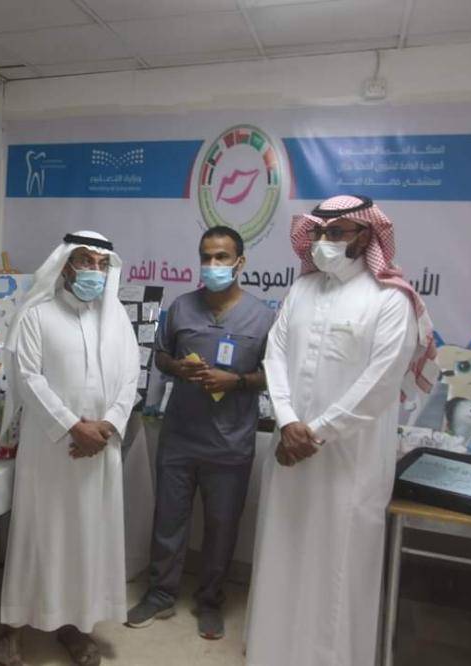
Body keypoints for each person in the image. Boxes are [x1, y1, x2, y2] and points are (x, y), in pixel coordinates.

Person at [245, 195, 438, 666]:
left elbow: (381, 382)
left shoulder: (391, 300)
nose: (323, 242)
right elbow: (275, 356)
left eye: (336, 233)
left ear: (366, 236)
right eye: (318, 232)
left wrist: (314, 433)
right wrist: (287, 421)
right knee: (283, 555)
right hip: (291, 452)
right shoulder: (301, 290)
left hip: (349, 463)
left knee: (337, 566)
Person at [0, 231, 140, 666]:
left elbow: (130, 378)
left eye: (101, 263)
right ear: (66, 264)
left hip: (100, 450)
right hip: (51, 449)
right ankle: (12, 629)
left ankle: (75, 625)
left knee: (87, 540)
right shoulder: (37, 315)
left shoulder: (116, 318)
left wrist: (107, 426)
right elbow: (28, 379)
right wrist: (73, 427)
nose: (94, 270)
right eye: (85, 261)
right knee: (37, 536)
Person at [127, 226, 274, 639]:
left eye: (221, 257)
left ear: (240, 262)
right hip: (180, 436)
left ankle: (210, 601)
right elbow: (161, 356)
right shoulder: (181, 307)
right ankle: (160, 594)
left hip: (231, 441)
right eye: (206, 257)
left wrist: (237, 381)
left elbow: (273, 375)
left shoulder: (263, 316)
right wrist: (178, 367)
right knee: (168, 519)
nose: (212, 265)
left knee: (222, 526)